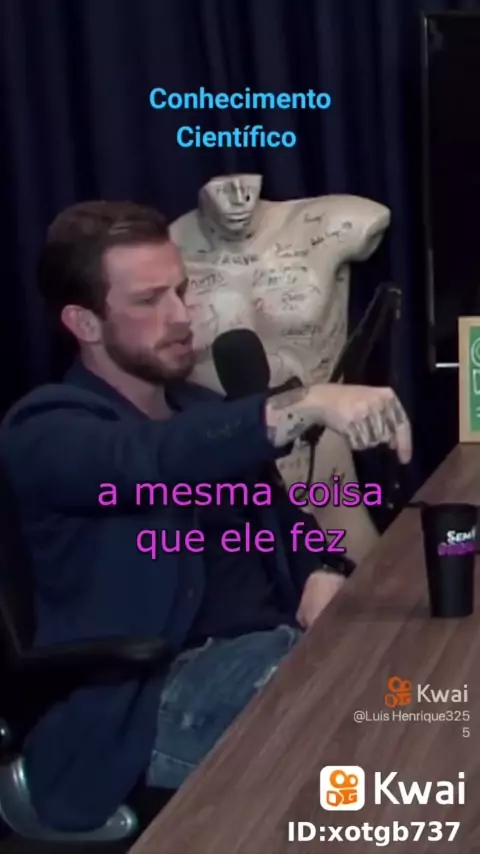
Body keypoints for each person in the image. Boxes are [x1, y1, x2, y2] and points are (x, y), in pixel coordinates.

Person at [0, 201, 412, 832]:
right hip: (152, 699)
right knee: (372, 728)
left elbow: (288, 526)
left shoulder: (201, 408)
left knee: (419, 678)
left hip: (272, 651)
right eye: (149, 300)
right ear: (84, 322)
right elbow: (150, 458)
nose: (180, 315)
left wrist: (321, 571)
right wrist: (301, 404)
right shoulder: (47, 429)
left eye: (181, 290)